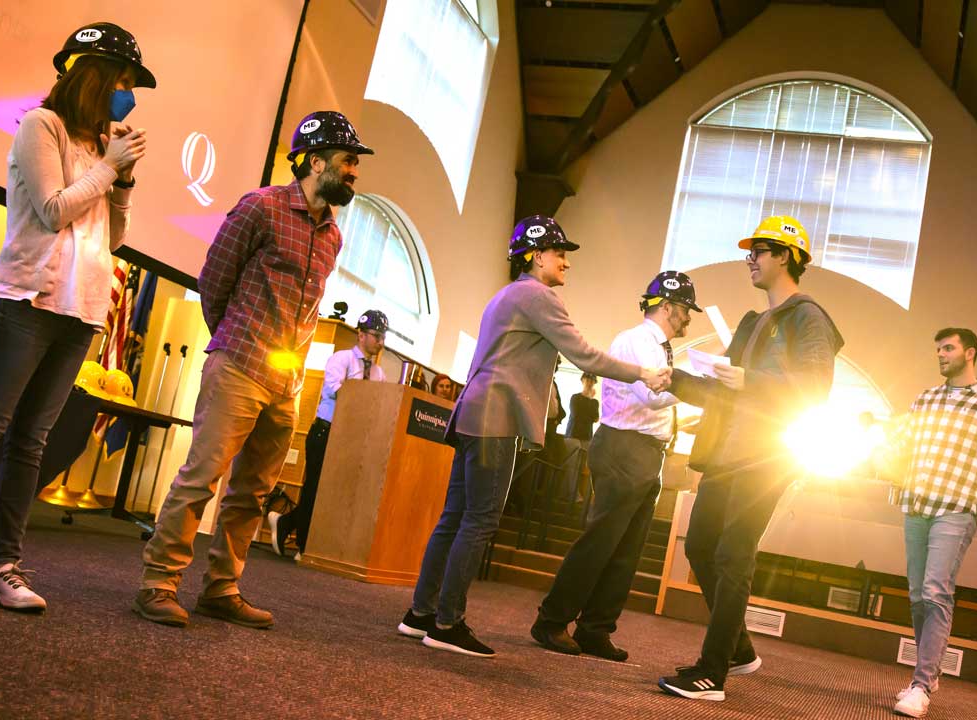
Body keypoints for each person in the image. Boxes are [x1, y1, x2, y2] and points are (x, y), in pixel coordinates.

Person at [0, 22, 153, 611]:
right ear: (91, 76)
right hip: (25, 299)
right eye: (122, 81)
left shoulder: (101, 149)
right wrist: (107, 170)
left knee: (31, 441)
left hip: (81, 310)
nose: (127, 95)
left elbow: (113, 237)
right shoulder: (38, 126)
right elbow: (51, 212)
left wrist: (120, 181)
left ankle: (6, 565)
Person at [132, 110, 372, 628]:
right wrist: (233, 339)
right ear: (313, 159)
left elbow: (308, 308)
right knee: (202, 478)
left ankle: (221, 587)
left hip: (285, 383)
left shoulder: (332, 234)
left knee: (253, 493)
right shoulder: (260, 208)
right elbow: (215, 279)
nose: (354, 170)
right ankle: (158, 583)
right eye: (348, 160)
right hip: (239, 364)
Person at [396, 215, 671, 658]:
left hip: (474, 413)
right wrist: (644, 372)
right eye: (560, 253)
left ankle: (420, 614)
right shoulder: (538, 296)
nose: (566, 263)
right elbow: (584, 355)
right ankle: (447, 623)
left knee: (454, 517)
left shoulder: (507, 295)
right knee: (479, 520)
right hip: (497, 420)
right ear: (536, 254)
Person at [657, 216, 843, 701]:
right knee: (699, 545)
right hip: (728, 451)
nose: (750, 261)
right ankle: (738, 649)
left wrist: (752, 381)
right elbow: (722, 387)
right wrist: (672, 379)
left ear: (785, 256)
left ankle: (711, 673)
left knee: (733, 555)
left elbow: (817, 390)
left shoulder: (809, 317)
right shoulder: (752, 322)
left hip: (768, 454)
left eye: (758, 251)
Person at [532, 271, 700, 662]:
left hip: (647, 450)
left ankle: (595, 629)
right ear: (669, 306)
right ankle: (551, 620)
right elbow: (652, 397)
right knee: (599, 543)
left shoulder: (659, 348)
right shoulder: (634, 341)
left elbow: (658, 404)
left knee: (626, 551)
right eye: (686, 310)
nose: (689, 318)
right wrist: (699, 385)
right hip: (625, 447)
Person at [888, 328, 977, 718]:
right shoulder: (925, 399)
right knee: (916, 596)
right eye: (938, 350)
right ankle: (927, 674)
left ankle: (920, 685)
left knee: (935, 592)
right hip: (916, 507)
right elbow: (903, 448)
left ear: (971, 352)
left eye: (948, 348)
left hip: (956, 509)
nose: (941, 355)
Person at [268, 310, 389, 559]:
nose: (380, 342)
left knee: (334, 492)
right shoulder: (341, 359)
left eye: (383, 337)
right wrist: (361, 391)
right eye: (376, 336)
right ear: (361, 334)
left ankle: (287, 524)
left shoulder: (378, 374)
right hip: (326, 430)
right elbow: (335, 389)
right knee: (314, 488)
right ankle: (304, 546)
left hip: (353, 438)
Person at [564, 373, 600, 445]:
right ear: (582, 381)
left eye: (592, 381)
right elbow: (576, 415)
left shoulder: (595, 402)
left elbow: (596, 419)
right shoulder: (575, 397)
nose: (589, 383)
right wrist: (589, 417)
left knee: (584, 455)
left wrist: (590, 399)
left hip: (587, 436)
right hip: (573, 434)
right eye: (587, 380)